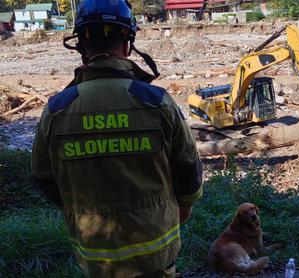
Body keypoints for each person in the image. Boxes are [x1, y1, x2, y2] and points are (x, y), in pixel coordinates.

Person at [31, 0, 203, 277]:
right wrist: (184, 207)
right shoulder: (156, 101)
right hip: (157, 253)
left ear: (81, 47)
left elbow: (43, 178)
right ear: (127, 45)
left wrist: (79, 207)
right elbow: (188, 169)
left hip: (95, 255)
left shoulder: (57, 109)